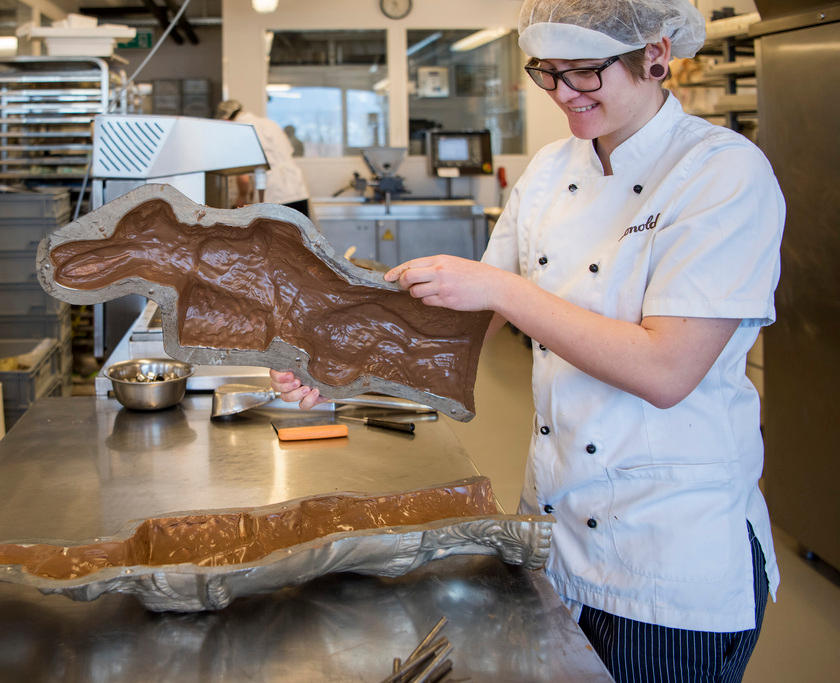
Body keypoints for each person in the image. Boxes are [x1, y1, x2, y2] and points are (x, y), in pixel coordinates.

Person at [270, 0, 785, 680]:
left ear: (656, 55)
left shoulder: (721, 174)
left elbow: (667, 368)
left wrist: (502, 289)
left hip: (669, 556)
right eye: (547, 73)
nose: (563, 94)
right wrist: (344, 366)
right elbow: (456, 328)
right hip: (551, 533)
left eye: (584, 73)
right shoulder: (548, 171)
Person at [215, 99, 311, 217]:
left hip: (273, 194)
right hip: (297, 188)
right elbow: (288, 152)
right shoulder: (269, 123)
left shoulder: (240, 129)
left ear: (225, 119)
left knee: (276, 234)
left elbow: (243, 175)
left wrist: (241, 198)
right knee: (299, 233)